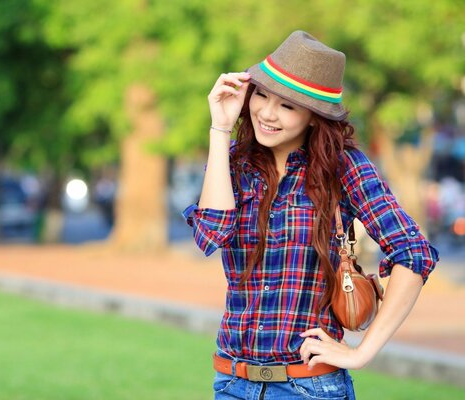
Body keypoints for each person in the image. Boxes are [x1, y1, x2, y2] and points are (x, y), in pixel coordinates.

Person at [183, 30, 439, 399]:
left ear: (315, 117)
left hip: (309, 387)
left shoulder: (343, 167)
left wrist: (361, 352)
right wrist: (220, 129)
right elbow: (211, 234)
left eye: (287, 106)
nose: (267, 114)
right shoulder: (235, 162)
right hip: (232, 383)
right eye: (263, 96)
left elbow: (414, 254)